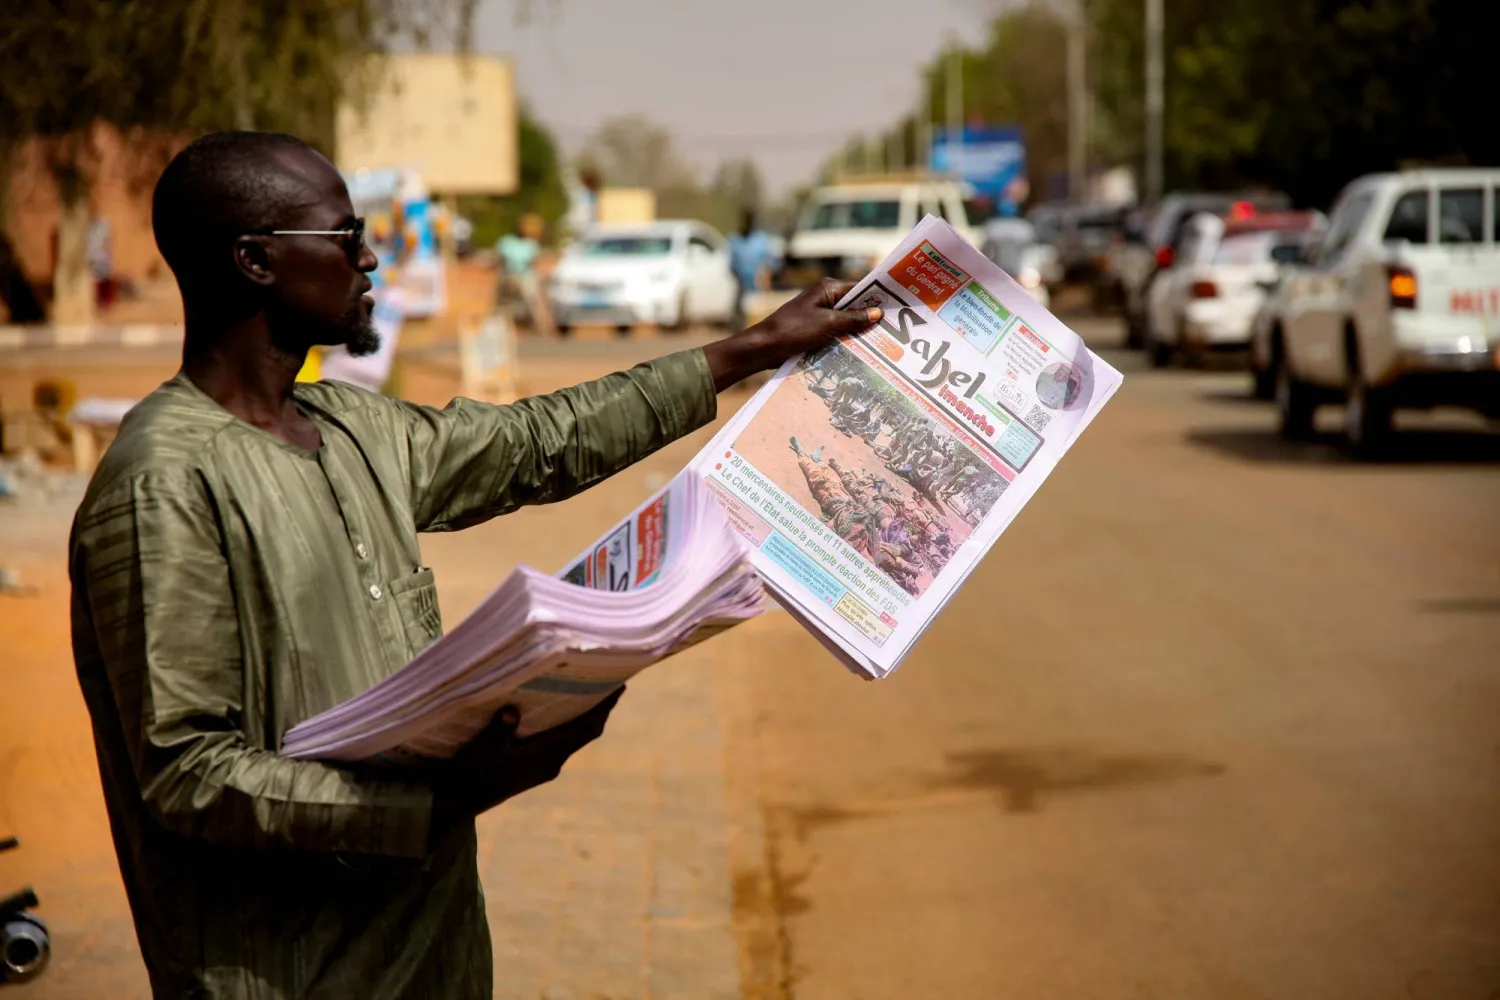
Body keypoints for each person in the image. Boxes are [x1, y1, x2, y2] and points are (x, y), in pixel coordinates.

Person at [67, 131, 882, 1000]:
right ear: (258, 261)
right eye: (346, 239)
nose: (372, 259)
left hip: (436, 955)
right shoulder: (162, 486)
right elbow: (189, 776)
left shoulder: (353, 429)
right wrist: (441, 801)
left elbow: (539, 443)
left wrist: (743, 354)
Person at [495, 213, 550, 332]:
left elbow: (532, 263)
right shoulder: (507, 241)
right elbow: (502, 261)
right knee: (502, 300)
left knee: (534, 293)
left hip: (526, 275)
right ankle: (500, 324)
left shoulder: (531, 244)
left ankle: (538, 323)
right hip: (509, 275)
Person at [727, 209, 776, 322]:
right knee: (742, 317)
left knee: (760, 316)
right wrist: (740, 281)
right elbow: (731, 264)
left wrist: (765, 278)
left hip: (760, 287)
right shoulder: (735, 240)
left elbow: (770, 263)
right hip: (742, 287)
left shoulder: (761, 240)